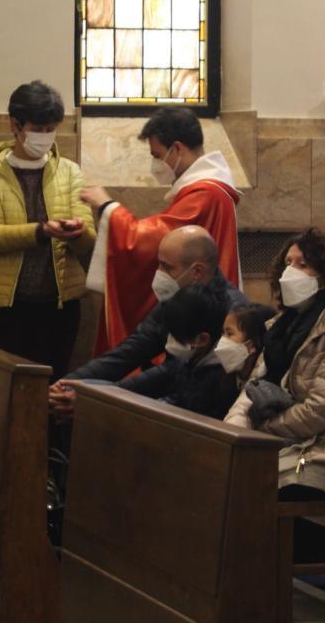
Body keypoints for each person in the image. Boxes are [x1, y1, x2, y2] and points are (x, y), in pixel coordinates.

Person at [224, 229, 325, 560]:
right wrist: (233, 432)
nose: (290, 272)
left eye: (303, 264)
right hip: (287, 448)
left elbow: (319, 412)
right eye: (288, 263)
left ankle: (260, 583)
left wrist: (260, 431)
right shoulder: (283, 325)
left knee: (242, 497)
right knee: (216, 478)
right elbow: (254, 388)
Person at [80, 107, 241, 354]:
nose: (155, 164)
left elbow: (155, 240)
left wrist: (108, 207)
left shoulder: (206, 193)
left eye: (157, 155)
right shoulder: (207, 188)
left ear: (177, 149)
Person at [48, 226, 244, 418]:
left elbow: (174, 372)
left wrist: (99, 398)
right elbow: (132, 349)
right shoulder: (178, 293)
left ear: (197, 272)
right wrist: (64, 384)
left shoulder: (233, 315)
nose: (158, 273)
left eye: (166, 267)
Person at [0, 81, 95, 377]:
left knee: (54, 383)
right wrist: (41, 231)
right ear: (15, 125)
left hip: (60, 303)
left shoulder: (70, 172)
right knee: (9, 386)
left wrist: (76, 231)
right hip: (7, 304)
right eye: (38, 129)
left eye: (51, 129)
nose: (45, 137)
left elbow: (88, 242)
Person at [118, 283, 240, 420]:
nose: (170, 342)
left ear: (202, 339)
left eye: (177, 337)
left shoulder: (220, 378)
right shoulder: (193, 358)